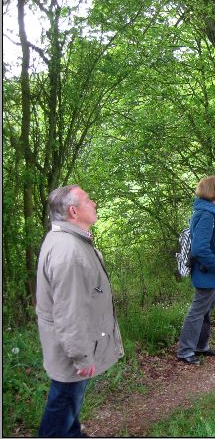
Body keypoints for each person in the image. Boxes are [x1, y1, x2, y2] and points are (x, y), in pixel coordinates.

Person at [36, 185, 124, 437]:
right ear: (73, 211)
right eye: (88, 200)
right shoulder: (70, 252)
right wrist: (81, 356)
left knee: (69, 399)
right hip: (72, 348)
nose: (94, 203)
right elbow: (69, 313)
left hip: (72, 344)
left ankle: (73, 433)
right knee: (63, 401)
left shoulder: (68, 240)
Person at [177, 175, 215, 365]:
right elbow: (200, 248)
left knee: (205, 309)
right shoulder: (207, 214)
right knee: (198, 310)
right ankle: (185, 350)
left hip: (210, 272)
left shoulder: (210, 212)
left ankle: (201, 346)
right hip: (208, 272)